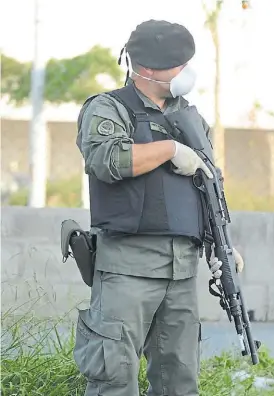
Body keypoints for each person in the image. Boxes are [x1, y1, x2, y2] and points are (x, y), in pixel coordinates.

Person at [73, 19, 230, 396]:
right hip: (128, 268)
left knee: (179, 381)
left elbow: (208, 186)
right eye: (176, 65)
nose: (184, 72)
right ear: (145, 69)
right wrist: (171, 150)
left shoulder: (192, 118)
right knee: (114, 378)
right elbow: (107, 161)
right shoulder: (108, 108)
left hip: (181, 272)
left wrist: (222, 244)